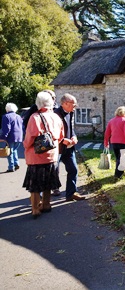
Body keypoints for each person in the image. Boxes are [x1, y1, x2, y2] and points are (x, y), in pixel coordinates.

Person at [22, 91, 64, 219]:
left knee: (34, 186)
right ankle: (46, 204)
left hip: (36, 157)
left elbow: (29, 139)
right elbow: (61, 136)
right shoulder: (56, 117)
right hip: (52, 155)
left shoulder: (34, 117)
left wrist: (25, 145)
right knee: (48, 183)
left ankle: (35, 209)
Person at [54, 93, 86, 201]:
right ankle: (40, 199)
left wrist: (74, 136)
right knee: (50, 173)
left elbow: (71, 129)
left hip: (69, 148)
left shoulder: (70, 113)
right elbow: (51, 133)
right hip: (57, 149)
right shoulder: (55, 114)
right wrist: (62, 140)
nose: (75, 106)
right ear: (65, 103)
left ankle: (71, 194)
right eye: (73, 104)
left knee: (73, 170)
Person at [104, 106, 125, 180]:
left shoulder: (111, 121)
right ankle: (118, 174)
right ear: (124, 113)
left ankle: (118, 173)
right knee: (122, 158)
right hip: (123, 141)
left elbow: (107, 133)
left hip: (114, 142)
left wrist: (106, 142)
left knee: (118, 158)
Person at [0, 103, 23, 172]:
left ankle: (11, 167)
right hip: (19, 136)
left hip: (11, 137)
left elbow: (6, 128)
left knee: (9, 152)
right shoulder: (19, 116)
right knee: (14, 150)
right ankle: (16, 163)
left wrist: (2, 137)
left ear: (7, 109)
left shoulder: (6, 116)